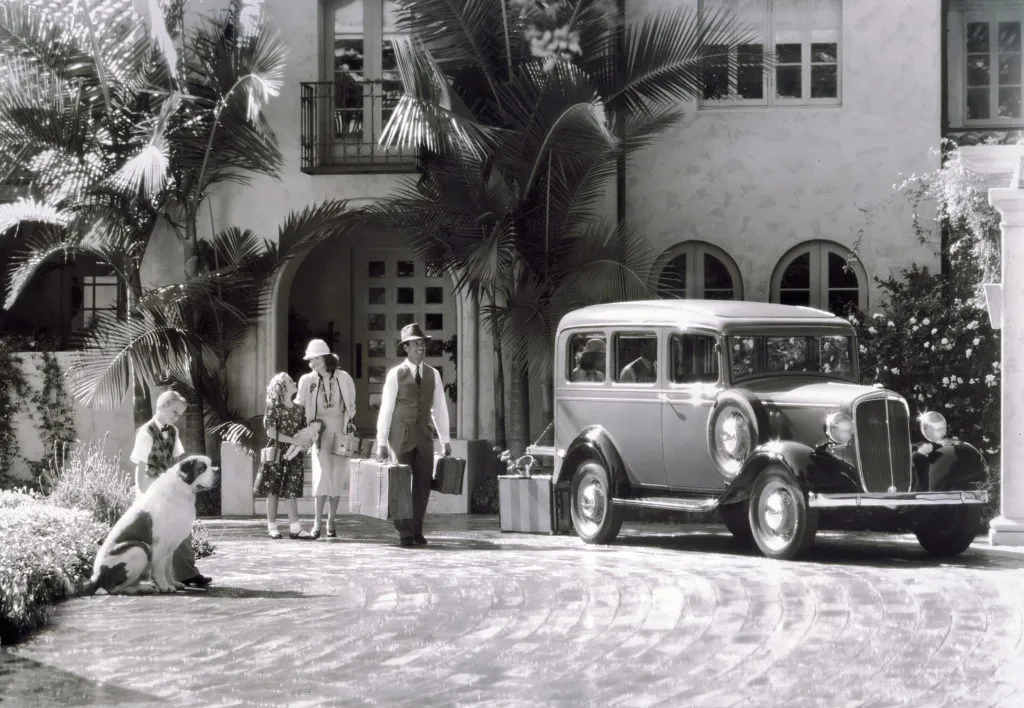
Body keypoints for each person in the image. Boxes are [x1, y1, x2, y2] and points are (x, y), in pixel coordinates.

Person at [375, 323, 451, 548]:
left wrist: (445, 439)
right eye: (416, 344)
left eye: (423, 343)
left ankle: (417, 528)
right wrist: (381, 443)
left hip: (424, 436)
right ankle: (404, 532)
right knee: (400, 484)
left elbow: (439, 408)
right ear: (406, 348)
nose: (421, 347)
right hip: (400, 436)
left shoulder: (433, 374)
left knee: (423, 484)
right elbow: (386, 409)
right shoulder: (395, 374)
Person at [129, 390, 212, 588]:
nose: (177, 418)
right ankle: (151, 577)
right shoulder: (145, 434)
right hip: (151, 491)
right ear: (163, 406)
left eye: (179, 414)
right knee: (156, 536)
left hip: (169, 490)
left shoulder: (172, 432)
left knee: (180, 529)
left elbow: (176, 462)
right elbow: (140, 470)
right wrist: (142, 496)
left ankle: (184, 573)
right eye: (174, 412)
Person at [296, 339, 356, 539]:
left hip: (340, 433)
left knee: (337, 476)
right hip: (319, 434)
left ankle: (331, 521)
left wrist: (349, 423)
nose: (312, 363)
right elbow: (298, 405)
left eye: (316, 358)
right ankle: (317, 521)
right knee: (321, 476)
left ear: (326, 357)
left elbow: (351, 405)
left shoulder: (344, 377)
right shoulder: (307, 380)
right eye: (310, 359)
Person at [257, 372, 320, 540]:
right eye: (290, 381)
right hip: (276, 453)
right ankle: (272, 526)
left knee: (291, 491)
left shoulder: (299, 409)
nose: (294, 383)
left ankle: (295, 527)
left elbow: (302, 432)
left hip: (293, 455)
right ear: (281, 388)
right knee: (273, 491)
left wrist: (307, 441)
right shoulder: (273, 407)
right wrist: (294, 440)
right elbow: (271, 432)